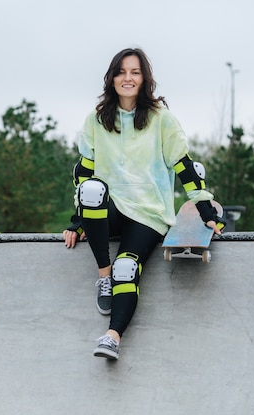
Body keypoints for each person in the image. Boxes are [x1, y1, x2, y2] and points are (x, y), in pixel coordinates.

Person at [62, 47, 225, 360]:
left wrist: (205, 208)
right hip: (112, 207)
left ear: (144, 78)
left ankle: (112, 336)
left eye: (135, 72)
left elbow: (183, 164)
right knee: (93, 190)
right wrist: (78, 221)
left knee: (128, 266)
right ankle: (103, 277)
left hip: (149, 212)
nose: (128, 78)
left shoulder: (161, 119)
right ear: (112, 78)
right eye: (122, 72)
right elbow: (84, 171)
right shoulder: (97, 120)